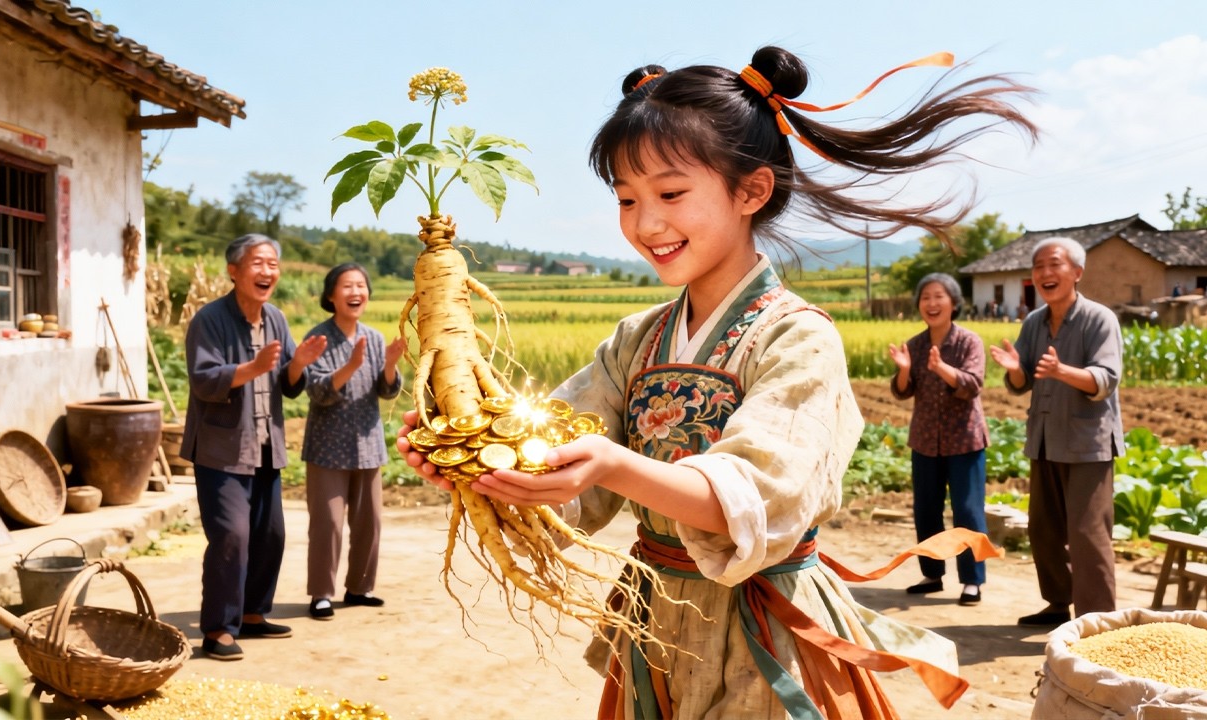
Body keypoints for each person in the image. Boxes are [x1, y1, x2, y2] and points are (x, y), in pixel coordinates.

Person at [399, 46, 1033, 717]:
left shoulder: (799, 337)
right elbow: (557, 451)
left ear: (751, 190)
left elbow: (756, 492)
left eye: (671, 194)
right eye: (626, 199)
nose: (646, 223)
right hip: (656, 628)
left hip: (768, 631)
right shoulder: (636, 340)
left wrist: (611, 464)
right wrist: (481, 464)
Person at [181, 233, 327, 661]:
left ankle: (251, 614)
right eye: (257, 264)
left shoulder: (276, 319)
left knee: (270, 535)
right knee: (231, 536)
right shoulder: (209, 319)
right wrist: (252, 368)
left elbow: (287, 383)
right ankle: (218, 631)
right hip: (221, 449)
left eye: (273, 265)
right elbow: (205, 380)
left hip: (265, 445)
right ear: (233, 271)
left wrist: (297, 365)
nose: (267, 272)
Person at [990, 236, 1123, 628]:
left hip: (1088, 445)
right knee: (1043, 530)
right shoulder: (1034, 322)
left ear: (1076, 273)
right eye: (1039, 268)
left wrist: (1063, 371)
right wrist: (1016, 367)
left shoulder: (1100, 319)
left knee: (1087, 535)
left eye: (1055, 265)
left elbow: (1106, 379)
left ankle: (1098, 622)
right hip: (1045, 439)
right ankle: (1056, 604)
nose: (1046, 273)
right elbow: (1023, 379)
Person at [301, 263, 406, 620]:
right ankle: (321, 594)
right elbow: (316, 391)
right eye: (347, 286)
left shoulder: (375, 338)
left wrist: (390, 364)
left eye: (361, 285)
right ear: (331, 296)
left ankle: (360, 588)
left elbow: (387, 391)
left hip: (368, 442)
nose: (355, 292)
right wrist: (351, 365)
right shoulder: (318, 338)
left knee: (369, 521)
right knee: (327, 524)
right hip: (327, 447)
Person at [888, 273, 990, 606]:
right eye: (925, 298)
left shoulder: (968, 341)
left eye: (939, 297)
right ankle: (932, 574)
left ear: (954, 303)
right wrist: (904, 369)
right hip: (926, 441)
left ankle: (972, 581)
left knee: (968, 512)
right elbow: (903, 392)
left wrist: (943, 368)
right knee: (927, 510)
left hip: (966, 441)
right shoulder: (915, 345)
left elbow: (973, 384)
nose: (931, 304)